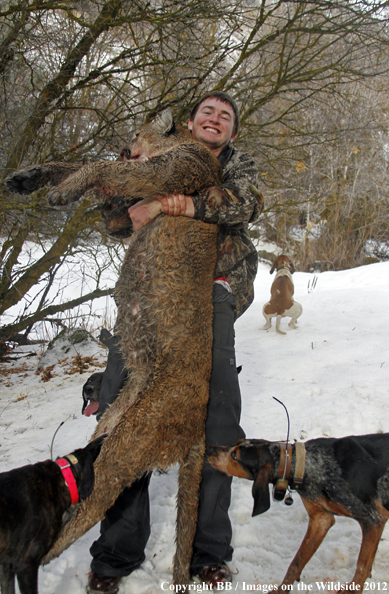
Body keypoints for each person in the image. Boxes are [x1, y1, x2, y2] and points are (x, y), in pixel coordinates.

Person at [87, 91, 264, 594]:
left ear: (232, 133)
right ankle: (116, 554)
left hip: (212, 292)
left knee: (218, 418)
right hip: (149, 294)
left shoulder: (238, 165)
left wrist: (179, 204)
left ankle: (209, 551)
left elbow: (247, 202)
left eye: (225, 116)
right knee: (124, 409)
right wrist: (120, 176)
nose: (215, 120)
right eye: (207, 112)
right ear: (190, 123)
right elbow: (120, 224)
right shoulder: (158, 158)